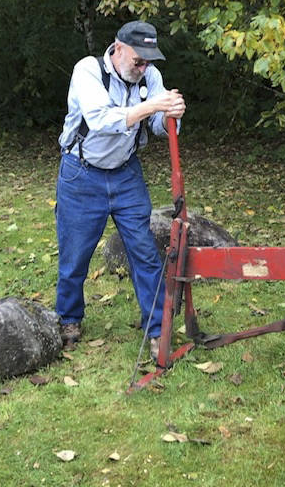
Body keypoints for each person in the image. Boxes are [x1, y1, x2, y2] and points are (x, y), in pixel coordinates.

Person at [55, 21, 185, 358]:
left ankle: (158, 328)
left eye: (148, 61)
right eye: (138, 60)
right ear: (118, 48)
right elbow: (102, 119)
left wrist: (172, 113)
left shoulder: (150, 76)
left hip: (126, 175)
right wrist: (154, 106)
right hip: (81, 174)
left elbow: (158, 126)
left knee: (144, 251)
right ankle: (69, 318)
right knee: (75, 254)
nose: (143, 68)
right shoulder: (88, 70)